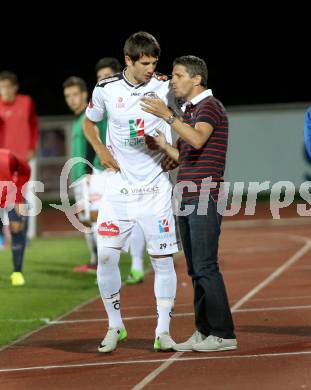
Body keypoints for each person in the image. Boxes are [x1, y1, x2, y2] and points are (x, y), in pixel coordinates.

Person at [83, 31, 179, 353]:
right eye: (145, 63)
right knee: (107, 258)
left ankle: (163, 332)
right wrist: (99, 148)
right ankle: (115, 326)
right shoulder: (106, 88)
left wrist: (172, 147)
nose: (151, 68)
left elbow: (183, 120)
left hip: (155, 189)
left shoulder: (165, 86)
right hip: (118, 189)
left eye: (154, 62)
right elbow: (89, 123)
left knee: (163, 261)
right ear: (128, 60)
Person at [141, 55, 237, 352]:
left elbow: (196, 140)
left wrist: (169, 116)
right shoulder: (191, 110)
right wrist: (163, 146)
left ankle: (223, 333)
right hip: (187, 194)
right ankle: (203, 329)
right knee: (195, 268)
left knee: (206, 265)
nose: (173, 80)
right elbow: (187, 156)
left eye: (178, 75)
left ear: (196, 79)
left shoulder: (210, 106)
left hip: (205, 194)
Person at [95, 57, 146, 285]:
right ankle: (105, 265)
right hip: (108, 172)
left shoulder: (132, 98)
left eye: (106, 76)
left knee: (135, 217)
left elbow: (139, 130)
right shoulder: (100, 103)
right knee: (105, 222)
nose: (103, 81)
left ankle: (137, 264)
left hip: (134, 171)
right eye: (99, 78)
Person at [63, 76, 101, 272]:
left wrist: (88, 171)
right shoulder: (78, 118)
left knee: (93, 221)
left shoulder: (89, 116)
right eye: (67, 96)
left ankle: (100, 262)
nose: (71, 99)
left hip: (89, 178)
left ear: (85, 94)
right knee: (87, 222)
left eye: (75, 94)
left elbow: (95, 144)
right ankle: (94, 260)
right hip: (79, 178)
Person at [0, 149, 31, 286]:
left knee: (17, 228)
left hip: (13, 192)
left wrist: (18, 197)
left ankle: (17, 272)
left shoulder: (8, 157)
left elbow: (25, 170)